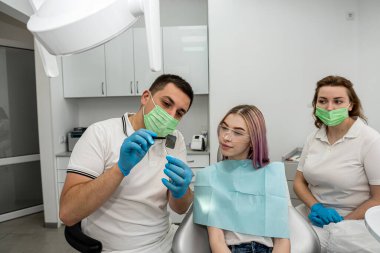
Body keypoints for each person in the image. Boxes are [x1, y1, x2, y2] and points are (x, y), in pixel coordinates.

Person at [59, 74, 194, 253]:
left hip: (165, 241)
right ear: (146, 97)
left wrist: (181, 191)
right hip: (116, 248)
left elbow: (180, 207)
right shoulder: (100, 134)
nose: (171, 115)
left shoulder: (175, 138)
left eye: (179, 113)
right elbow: (68, 214)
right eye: (167, 104)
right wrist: (120, 169)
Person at [293, 75, 380, 253]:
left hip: (355, 222)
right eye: (323, 101)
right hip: (313, 214)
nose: (330, 107)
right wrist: (315, 206)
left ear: (351, 105)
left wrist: (342, 222)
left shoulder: (370, 140)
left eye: (338, 101)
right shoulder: (315, 137)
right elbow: (299, 182)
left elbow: (378, 198)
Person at [194, 105, 290, 253]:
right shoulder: (208, 177)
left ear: (253, 140)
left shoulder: (272, 176)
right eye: (224, 128)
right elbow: (216, 240)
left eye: (238, 132)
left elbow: (282, 241)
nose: (226, 137)